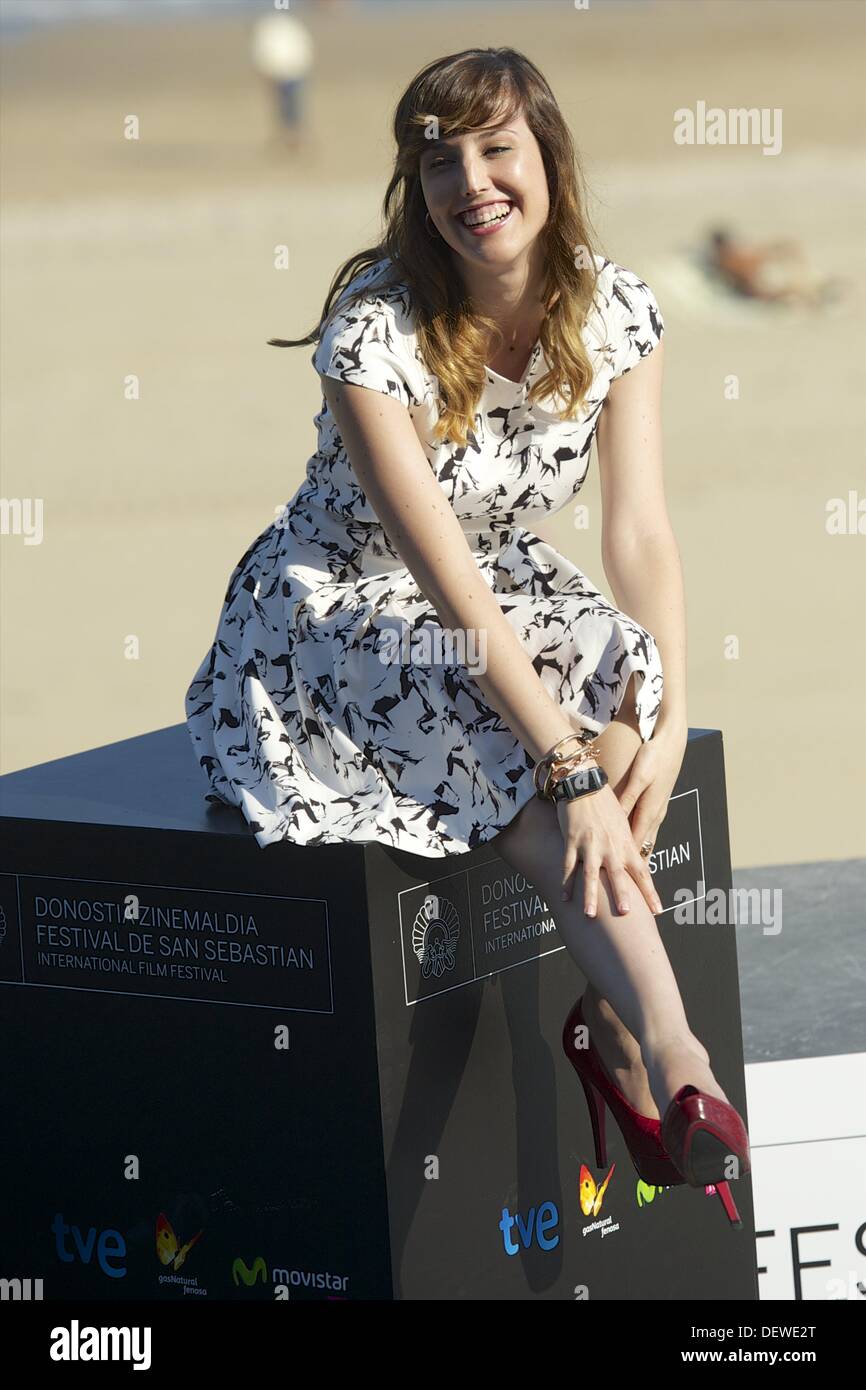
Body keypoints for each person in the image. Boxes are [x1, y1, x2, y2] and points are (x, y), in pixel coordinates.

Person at [185, 48, 750, 1226]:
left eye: (495, 148)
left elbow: (637, 531)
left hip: (489, 581)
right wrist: (568, 766)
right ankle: (663, 1039)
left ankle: (605, 1005)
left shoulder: (612, 307)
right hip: (331, 615)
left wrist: (664, 708)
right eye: (438, 159)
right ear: (415, 185)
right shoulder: (373, 330)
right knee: (513, 743)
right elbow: (446, 597)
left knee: (626, 669)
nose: (470, 181)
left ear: (547, 158)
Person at [706, 226, 843, 306]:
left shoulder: (733, 258)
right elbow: (750, 284)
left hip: (763, 278)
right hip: (761, 285)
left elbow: (758, 258)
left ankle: (817, 292)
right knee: (792, 287)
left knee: (791, 276)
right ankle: (816, 295)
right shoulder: (729, 261)